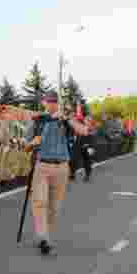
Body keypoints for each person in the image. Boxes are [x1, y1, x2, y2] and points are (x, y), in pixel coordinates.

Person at [26, 91, 89, 255]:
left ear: (58, 103)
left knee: (54, 206)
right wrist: (32, 143)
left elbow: (83, 131)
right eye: (49, 101)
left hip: (61, 167)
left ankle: (46, 235)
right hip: (42, 165)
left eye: (54, 101)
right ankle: (43, 237)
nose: (51, 104)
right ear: (44, 103)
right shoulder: (39, 121)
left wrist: (67, 119)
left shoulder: (65, 119)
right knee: (39, 201)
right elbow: (26, 143)